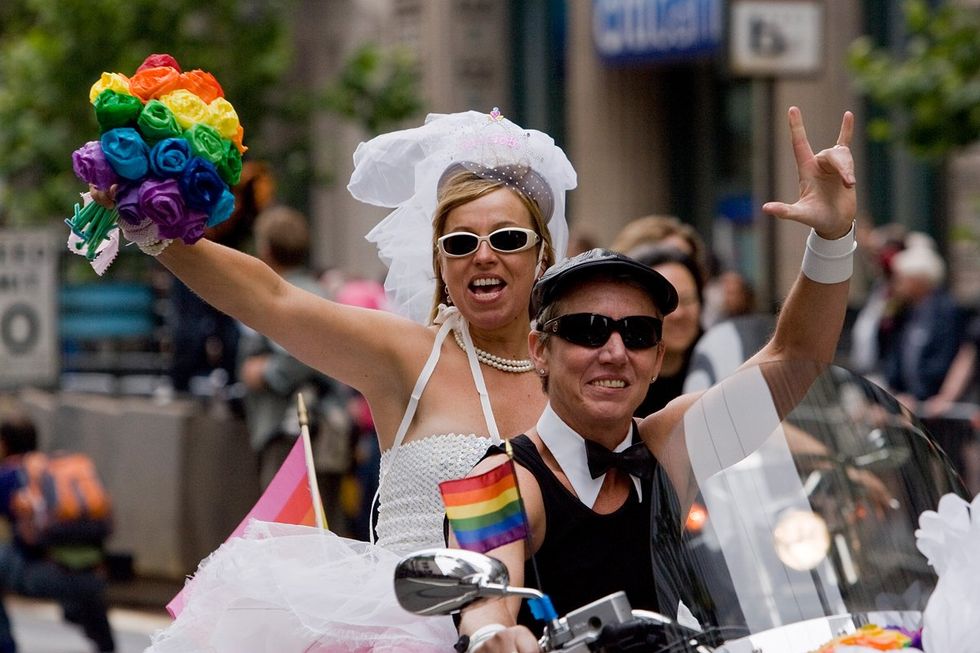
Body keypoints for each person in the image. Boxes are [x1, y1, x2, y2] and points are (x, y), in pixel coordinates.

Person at [93, 109, 576, 650]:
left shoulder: (580, 368)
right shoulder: (404, 358)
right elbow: (273, 299)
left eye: (507, 238)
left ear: (542, 255)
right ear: (440, 262)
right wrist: (154, 228)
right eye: (460, 243)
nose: (483, 255)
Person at [454, 106, 857, 652]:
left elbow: (798, 356)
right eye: (587, 329)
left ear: (658, 352)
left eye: (638, 332)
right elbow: (484, 598)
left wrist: (832, 239)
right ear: (539, 350)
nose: (615, 351)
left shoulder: (669, 441)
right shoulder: (496, 477)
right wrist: (494, 635)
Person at [236, 205, 353, 534]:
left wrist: (264, 372)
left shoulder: (292, 294)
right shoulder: (316, 290)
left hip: (297, 427)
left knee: (288, 530)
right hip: (315, 428)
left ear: (266, 249)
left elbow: (303, 353)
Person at [0, 411, 116, 653]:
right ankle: (104, 643)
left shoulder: (10, 474)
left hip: (42, 574)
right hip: (94, 576)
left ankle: (4, 646)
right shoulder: (55, 470)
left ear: (4, 444)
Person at [630, 247, 704, 416]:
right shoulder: (621, 371)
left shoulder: (718, 361)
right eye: (667, 306)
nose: (679, 314)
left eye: (687, 300)